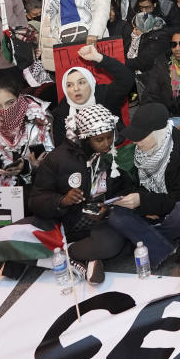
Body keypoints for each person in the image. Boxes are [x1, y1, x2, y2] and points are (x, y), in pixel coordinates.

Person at [28, 104, 124, 285]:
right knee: (20, 242)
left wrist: (109, 207)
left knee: (115, 242)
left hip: (100, 223)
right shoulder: (58, 158)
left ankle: (69, 256)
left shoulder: (113, 156)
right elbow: (35, 200)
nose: (106, 143)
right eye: (99, 139)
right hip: (66, 223)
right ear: (85, 138)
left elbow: (121, 190)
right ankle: (82, 257)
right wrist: (62, 201)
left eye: (109, 137)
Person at [106, 103, 180, 268]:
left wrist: (143, 202)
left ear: (158, 132)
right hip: (148, 209)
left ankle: (145, 239)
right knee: (116, 214)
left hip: (172, 212)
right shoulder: (137, 151)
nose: (136, 142)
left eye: (141, 137)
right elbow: (130, 185)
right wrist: (131, 199)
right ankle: (163, 247)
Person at [52, 45, 135, 144]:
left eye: (81, 82)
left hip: (116, 148)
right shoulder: (64, 109)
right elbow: (60, 143)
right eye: (69, 85)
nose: (76, 88)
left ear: (91, 84)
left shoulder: (104, 95)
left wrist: (98, 58)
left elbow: (126, 78)